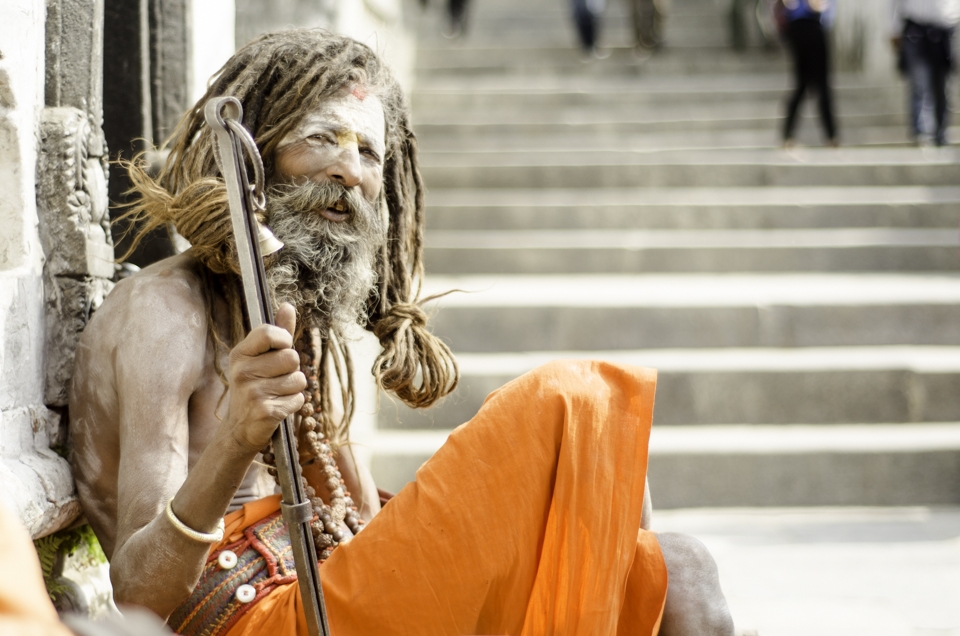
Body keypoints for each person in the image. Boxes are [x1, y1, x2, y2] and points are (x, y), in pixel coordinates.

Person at [69, 29, 734, 636]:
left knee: (680, 570)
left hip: (332, 589)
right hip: (257, 619)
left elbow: (359, 518)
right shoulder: (164, 311)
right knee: (575, 401)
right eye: (323, 138)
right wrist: (235, 443)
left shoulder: (294, 314)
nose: (348, 170)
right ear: (254, 151)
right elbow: (138, 595)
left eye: (368, 153)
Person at [891, 0, 960, 146]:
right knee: (919, 84)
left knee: (943, 86)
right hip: (915, 27)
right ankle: (921, 132)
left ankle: (940, 132)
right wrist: (893, 27)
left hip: (945, 28)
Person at [778, 0, 838, 147]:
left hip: (797, 27)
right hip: (810, 25)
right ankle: (831, 136)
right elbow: (817, 5)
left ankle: (788, 134)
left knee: (803, 82)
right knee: (819, 83)